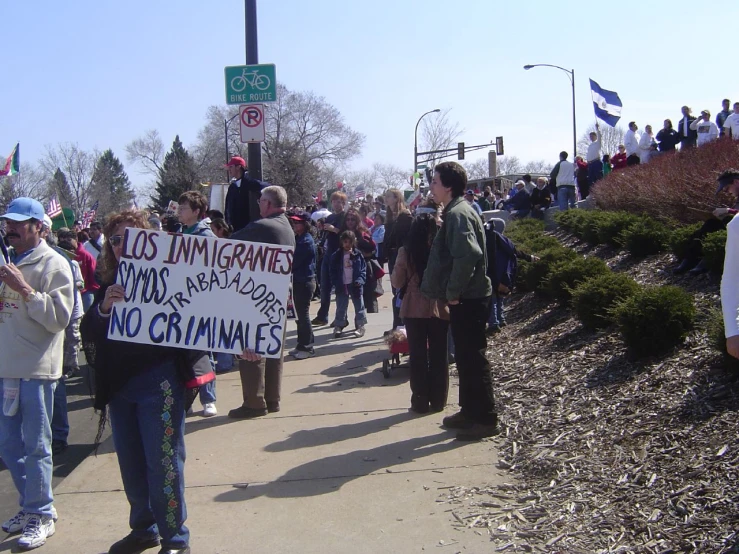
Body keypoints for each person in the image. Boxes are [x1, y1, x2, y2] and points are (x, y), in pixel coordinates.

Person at [80, 209, 202, 554]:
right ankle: (144, 528)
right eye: (115, 239)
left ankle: (175, 538)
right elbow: (88, 331)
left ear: (149, 240)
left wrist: (244, 341)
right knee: (131, 465)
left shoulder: (172, 275)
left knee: (163, 462)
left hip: (159, 384)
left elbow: (208, 316)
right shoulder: (110, 280)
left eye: (131, 237)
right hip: (120, 387)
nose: (122, 245)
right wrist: (103, 308)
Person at [0, 198, 74, 550]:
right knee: (10, 446)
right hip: (7, 370)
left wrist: (25, 289)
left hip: (37, 371)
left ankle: (41, 513)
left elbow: (59, 319)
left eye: (18, 223)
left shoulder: (55, 263)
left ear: (39, 227)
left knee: (37, 447)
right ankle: (31, 505)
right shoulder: (10, 261)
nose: (10, 228)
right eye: (8, 223)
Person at [421, 162, 496, 441]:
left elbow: (467, 256)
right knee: (464, 358)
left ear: (449, 186)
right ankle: (469, 412)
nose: (432, 186)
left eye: (436, 182)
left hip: (469, 297)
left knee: (473, 359)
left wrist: (452, 292)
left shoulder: (459, 214)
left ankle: (486, 418)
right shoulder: (456, 211)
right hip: (467, 296)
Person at [229, 186, 296, 419]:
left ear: (267, 203)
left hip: (256, 297)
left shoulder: (262, 226)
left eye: (260, 201)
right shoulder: (286, 226)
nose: (258, 205)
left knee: (251, 347)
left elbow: (226, 245)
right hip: (279, 295)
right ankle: (272, 398)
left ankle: (254, 402)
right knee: (273, 346)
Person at [391, 210, 449, 414]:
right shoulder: (441, 251)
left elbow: (397, 282)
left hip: (413, 308)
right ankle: (439, 399)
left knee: (417, 356)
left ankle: (420, 400)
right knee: (439, 354)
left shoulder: (405, 252)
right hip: (439, 307)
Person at [177, 191, 219, 416]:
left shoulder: (206, 236)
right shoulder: (181, 233)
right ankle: (189, 397)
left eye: (184, 208)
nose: (179, 212)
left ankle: (208, 398)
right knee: (185, 353)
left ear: (196, 211)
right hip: (183, 301)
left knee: (204, 352)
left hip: (202, 301)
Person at [312, 191, 347, 327]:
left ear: (343, 203)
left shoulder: (346, 217)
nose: (337, 204)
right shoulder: (330, 217)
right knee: (324, 286)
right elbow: (325, 234)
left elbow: (348, 235)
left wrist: (335, 230)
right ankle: (322, 316)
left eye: (339, 201)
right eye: (334, 201)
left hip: (339, 254)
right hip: (328, 253)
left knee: (339, 289)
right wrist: (322, 228)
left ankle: (341, 317)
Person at [288, 211, 317, 359]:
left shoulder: (306, 241)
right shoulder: (299, 238)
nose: (295, 225)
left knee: (303, 314)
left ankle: (307, 347)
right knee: (299, 316)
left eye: (298, 222)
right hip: (299, 280)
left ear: (305, 224)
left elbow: (294, 261)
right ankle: (302, 344)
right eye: (294, 222)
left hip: (305, 281)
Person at [383, 189, 413, 331]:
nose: (386, 199)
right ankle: (397, 326)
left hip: (402, 257)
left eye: (388, 196)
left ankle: (402, 326)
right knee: (396, 293)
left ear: (396, 198)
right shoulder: (389, 217)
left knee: (401, 292)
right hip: (392, 257)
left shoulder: (405, 216)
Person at [329, 230, 367, 338]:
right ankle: (340, 324)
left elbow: (363, 269)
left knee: (359, 305)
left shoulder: (358, 254)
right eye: (345, 242)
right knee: (341, 306)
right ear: (341, 242)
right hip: (342, 284)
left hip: (355, 284)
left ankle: (360, 325)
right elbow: (332, 270)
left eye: (349, 242)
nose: (347, 245)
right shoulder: (336, 256)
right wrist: (335, 282)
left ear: (353, 242)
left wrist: (360, 280)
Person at [719, 169, 739, 360]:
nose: (728, 192)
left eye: (727, 188)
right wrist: (732, 331)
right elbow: (731, 280)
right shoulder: (736, 226)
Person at [58, 228, 98, 312]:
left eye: (69, 239)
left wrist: (91, 289)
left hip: (86, 292)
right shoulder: (60, 255)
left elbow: (93, 273)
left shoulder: (86, 255)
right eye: (65, 240)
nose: (68, 242)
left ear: (76, 239)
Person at [224, 155, 263, 232]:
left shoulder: (250, 183)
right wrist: (228, 222)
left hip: (249, 228)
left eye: (231, 167)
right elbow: (228, 207)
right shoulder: (233, 186)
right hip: (235, 229)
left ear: (238, 167)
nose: (229, 170)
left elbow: (266, 187)